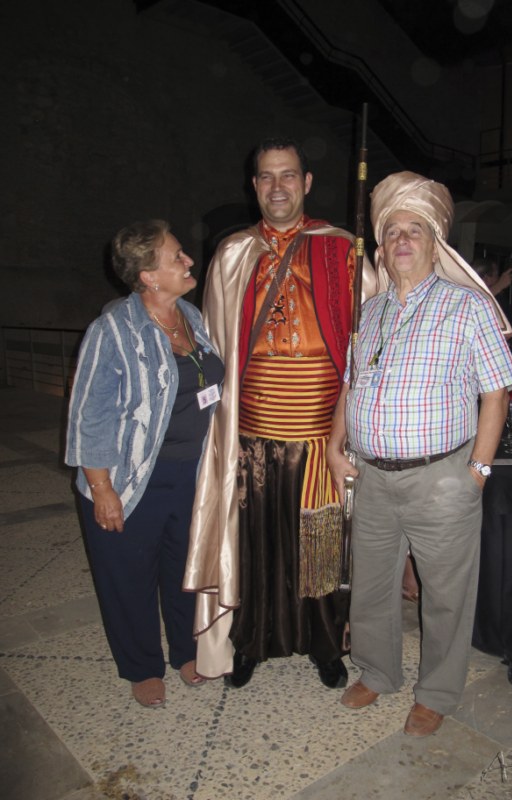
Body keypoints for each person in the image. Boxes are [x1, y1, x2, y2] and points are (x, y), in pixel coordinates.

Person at [326, 172, 512, 736]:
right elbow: (351, 383)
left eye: (415, 229)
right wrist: (335, 445)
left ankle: (436, 692)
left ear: (436, 244)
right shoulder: (370, 312)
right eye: (392, 231)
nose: (402, 239)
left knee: (446, 597)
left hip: (442, 478)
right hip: (372, 477)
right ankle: (377, 672)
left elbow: (496, 393)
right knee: (372, 587)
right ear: (382, 249)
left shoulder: (468, 306)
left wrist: (477, 471)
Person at [183, 137, 378, 689]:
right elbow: (214, 343)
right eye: (266, 176)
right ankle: (251, 640)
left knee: (320, 543)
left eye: (288, 175)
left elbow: (373, 341)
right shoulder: (233, 253)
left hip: (322, 433)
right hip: (252, 433)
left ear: (306, 183)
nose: (277, 187)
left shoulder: (343, 249)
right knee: (256, 544)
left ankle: (325, 642)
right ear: (254, 186)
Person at [65, 220, 223, 708]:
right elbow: (89, 414)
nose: (189, 261)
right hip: (130, 478)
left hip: (190, 473)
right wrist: (102, 488)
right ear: (148, 276)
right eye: (177, 257)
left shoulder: (191, 316)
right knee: (128, 577)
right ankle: (141, 666)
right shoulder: (112, 329)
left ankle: (186, 650)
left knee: (182, 569)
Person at [472, 256, 512, 340]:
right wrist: (499, 285)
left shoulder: (495, 296)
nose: (499, 278)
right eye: (496, 275)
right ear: (486, 278)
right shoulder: (477, 296)